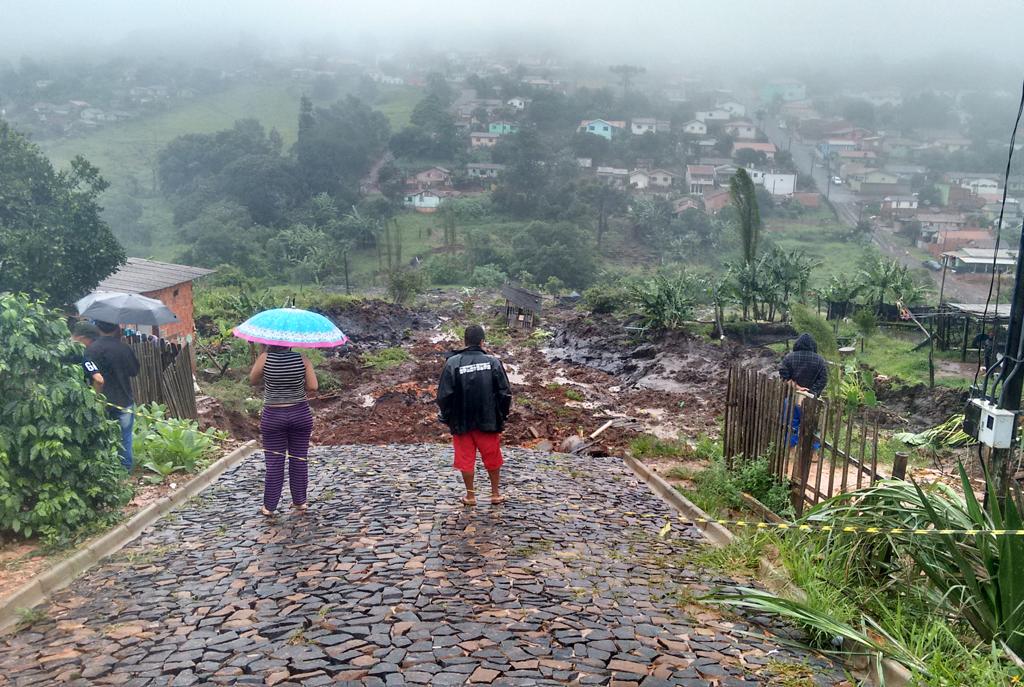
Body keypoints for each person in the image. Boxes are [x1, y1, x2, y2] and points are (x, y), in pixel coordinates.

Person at [436, 325, 513, 506]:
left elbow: (444, 395)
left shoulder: (453, 363)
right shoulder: (493, 362)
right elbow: (505, 393)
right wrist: (501, 416)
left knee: (465, 459)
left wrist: (447, 418)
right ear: (482, 342)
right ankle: (495, 494)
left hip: (461, 421)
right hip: (488, 420)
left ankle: (470, 496)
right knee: (492, 456)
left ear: (465, 342)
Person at [249, 345, 318, 516]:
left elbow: (252, 379)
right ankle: (300, 502)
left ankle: (270, 506)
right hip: (300, 414)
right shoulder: (302, 359)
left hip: (273, 416)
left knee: (274, 462)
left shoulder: (264, 358)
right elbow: (313, 386)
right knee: (299, 458)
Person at [85, 321, 140, 470]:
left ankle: (106, 472)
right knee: (125, 439)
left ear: (98, 328)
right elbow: (134, 371)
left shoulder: (91, 350)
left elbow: (88, 374)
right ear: (116, 328)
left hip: (101, 401)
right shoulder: (124, 348)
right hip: (124, 401)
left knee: (102, 439)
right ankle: (125, 472)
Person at [779, 333, 828, 448]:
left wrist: (797, 387)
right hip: (812, 400)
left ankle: (790, 449)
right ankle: (813, 450)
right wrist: (811, 392)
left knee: (791, 424)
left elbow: (783, 374)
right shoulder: (820, 360)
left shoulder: (789, 357)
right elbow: (823, 379)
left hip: (793, 397)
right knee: (812, 425)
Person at [71, 321, 104, 392]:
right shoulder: (82, 356)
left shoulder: (56, 349)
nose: (91, 344)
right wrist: (95, 398)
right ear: (81, 338)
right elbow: (99, 380)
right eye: (92, 341)